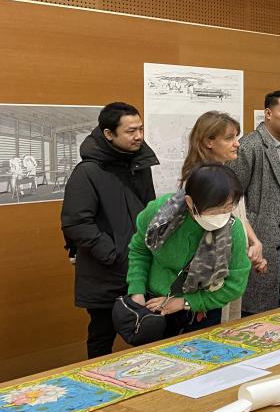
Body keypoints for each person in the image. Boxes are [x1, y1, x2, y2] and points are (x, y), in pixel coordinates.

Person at [61, 102, 159, 358]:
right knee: (102, 337)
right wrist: (113, 254)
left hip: (141, 268)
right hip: (105, 273)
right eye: (130, 131)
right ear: (108, 134)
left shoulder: (140, 164)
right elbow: (76, 222)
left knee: (148, 332)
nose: (138, 136)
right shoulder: (88, 172)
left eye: (140, 129)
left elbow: (150, 213)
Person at [127, 163, 251, 338]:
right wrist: (137, 290)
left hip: (202, 310)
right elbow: (140, 250)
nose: (221, 215)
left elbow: (235, 284)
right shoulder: (161, 213)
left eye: (228, 207)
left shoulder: (232, 229)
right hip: (153, 306)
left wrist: (185, 302)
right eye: (214, 209)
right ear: (190, 202)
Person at [180, 111, 267, 322]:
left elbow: (237, 215)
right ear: (209, 141)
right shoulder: (199, 180)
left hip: (231, 261)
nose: (237, 144)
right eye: (229, 138)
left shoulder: (226, 172)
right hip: (211, 272)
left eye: (237, 137)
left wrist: (254, 242)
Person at [230, 90, 280, 314]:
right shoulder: (250, 146)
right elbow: (233, 198)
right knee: (257, 301)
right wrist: (248, 236)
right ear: (268, 113)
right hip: (261, 236)